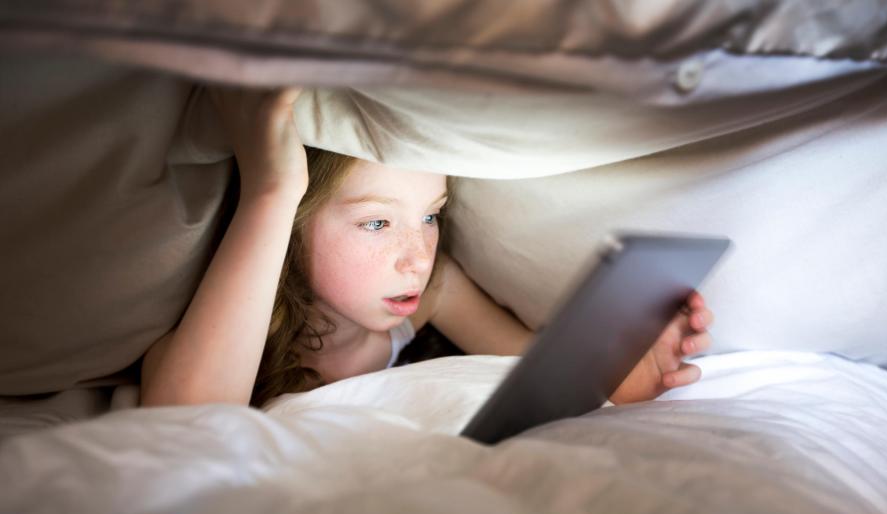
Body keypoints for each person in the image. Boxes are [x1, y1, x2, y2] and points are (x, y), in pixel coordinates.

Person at [140, 87, 715, 409]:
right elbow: (183, 418)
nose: (419, 257)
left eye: (431, 217)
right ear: (290, 225)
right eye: (376, 224)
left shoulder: (432, 294)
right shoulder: (225, 329)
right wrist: (274, 188)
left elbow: (534, 370)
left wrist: (623, 374)